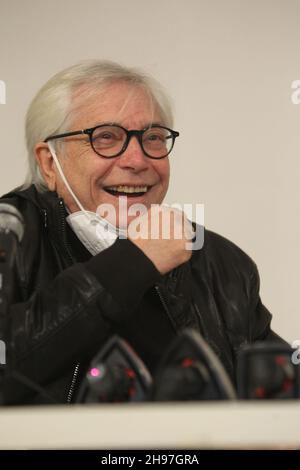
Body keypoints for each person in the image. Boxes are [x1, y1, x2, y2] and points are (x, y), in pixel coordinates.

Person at [0, 60, 283, 405]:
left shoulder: (220, 263)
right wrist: (134, 263)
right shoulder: (10, 236)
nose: (137, 160)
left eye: (152, 138)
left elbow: (278, 389)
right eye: (105, 137)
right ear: (49, 163)